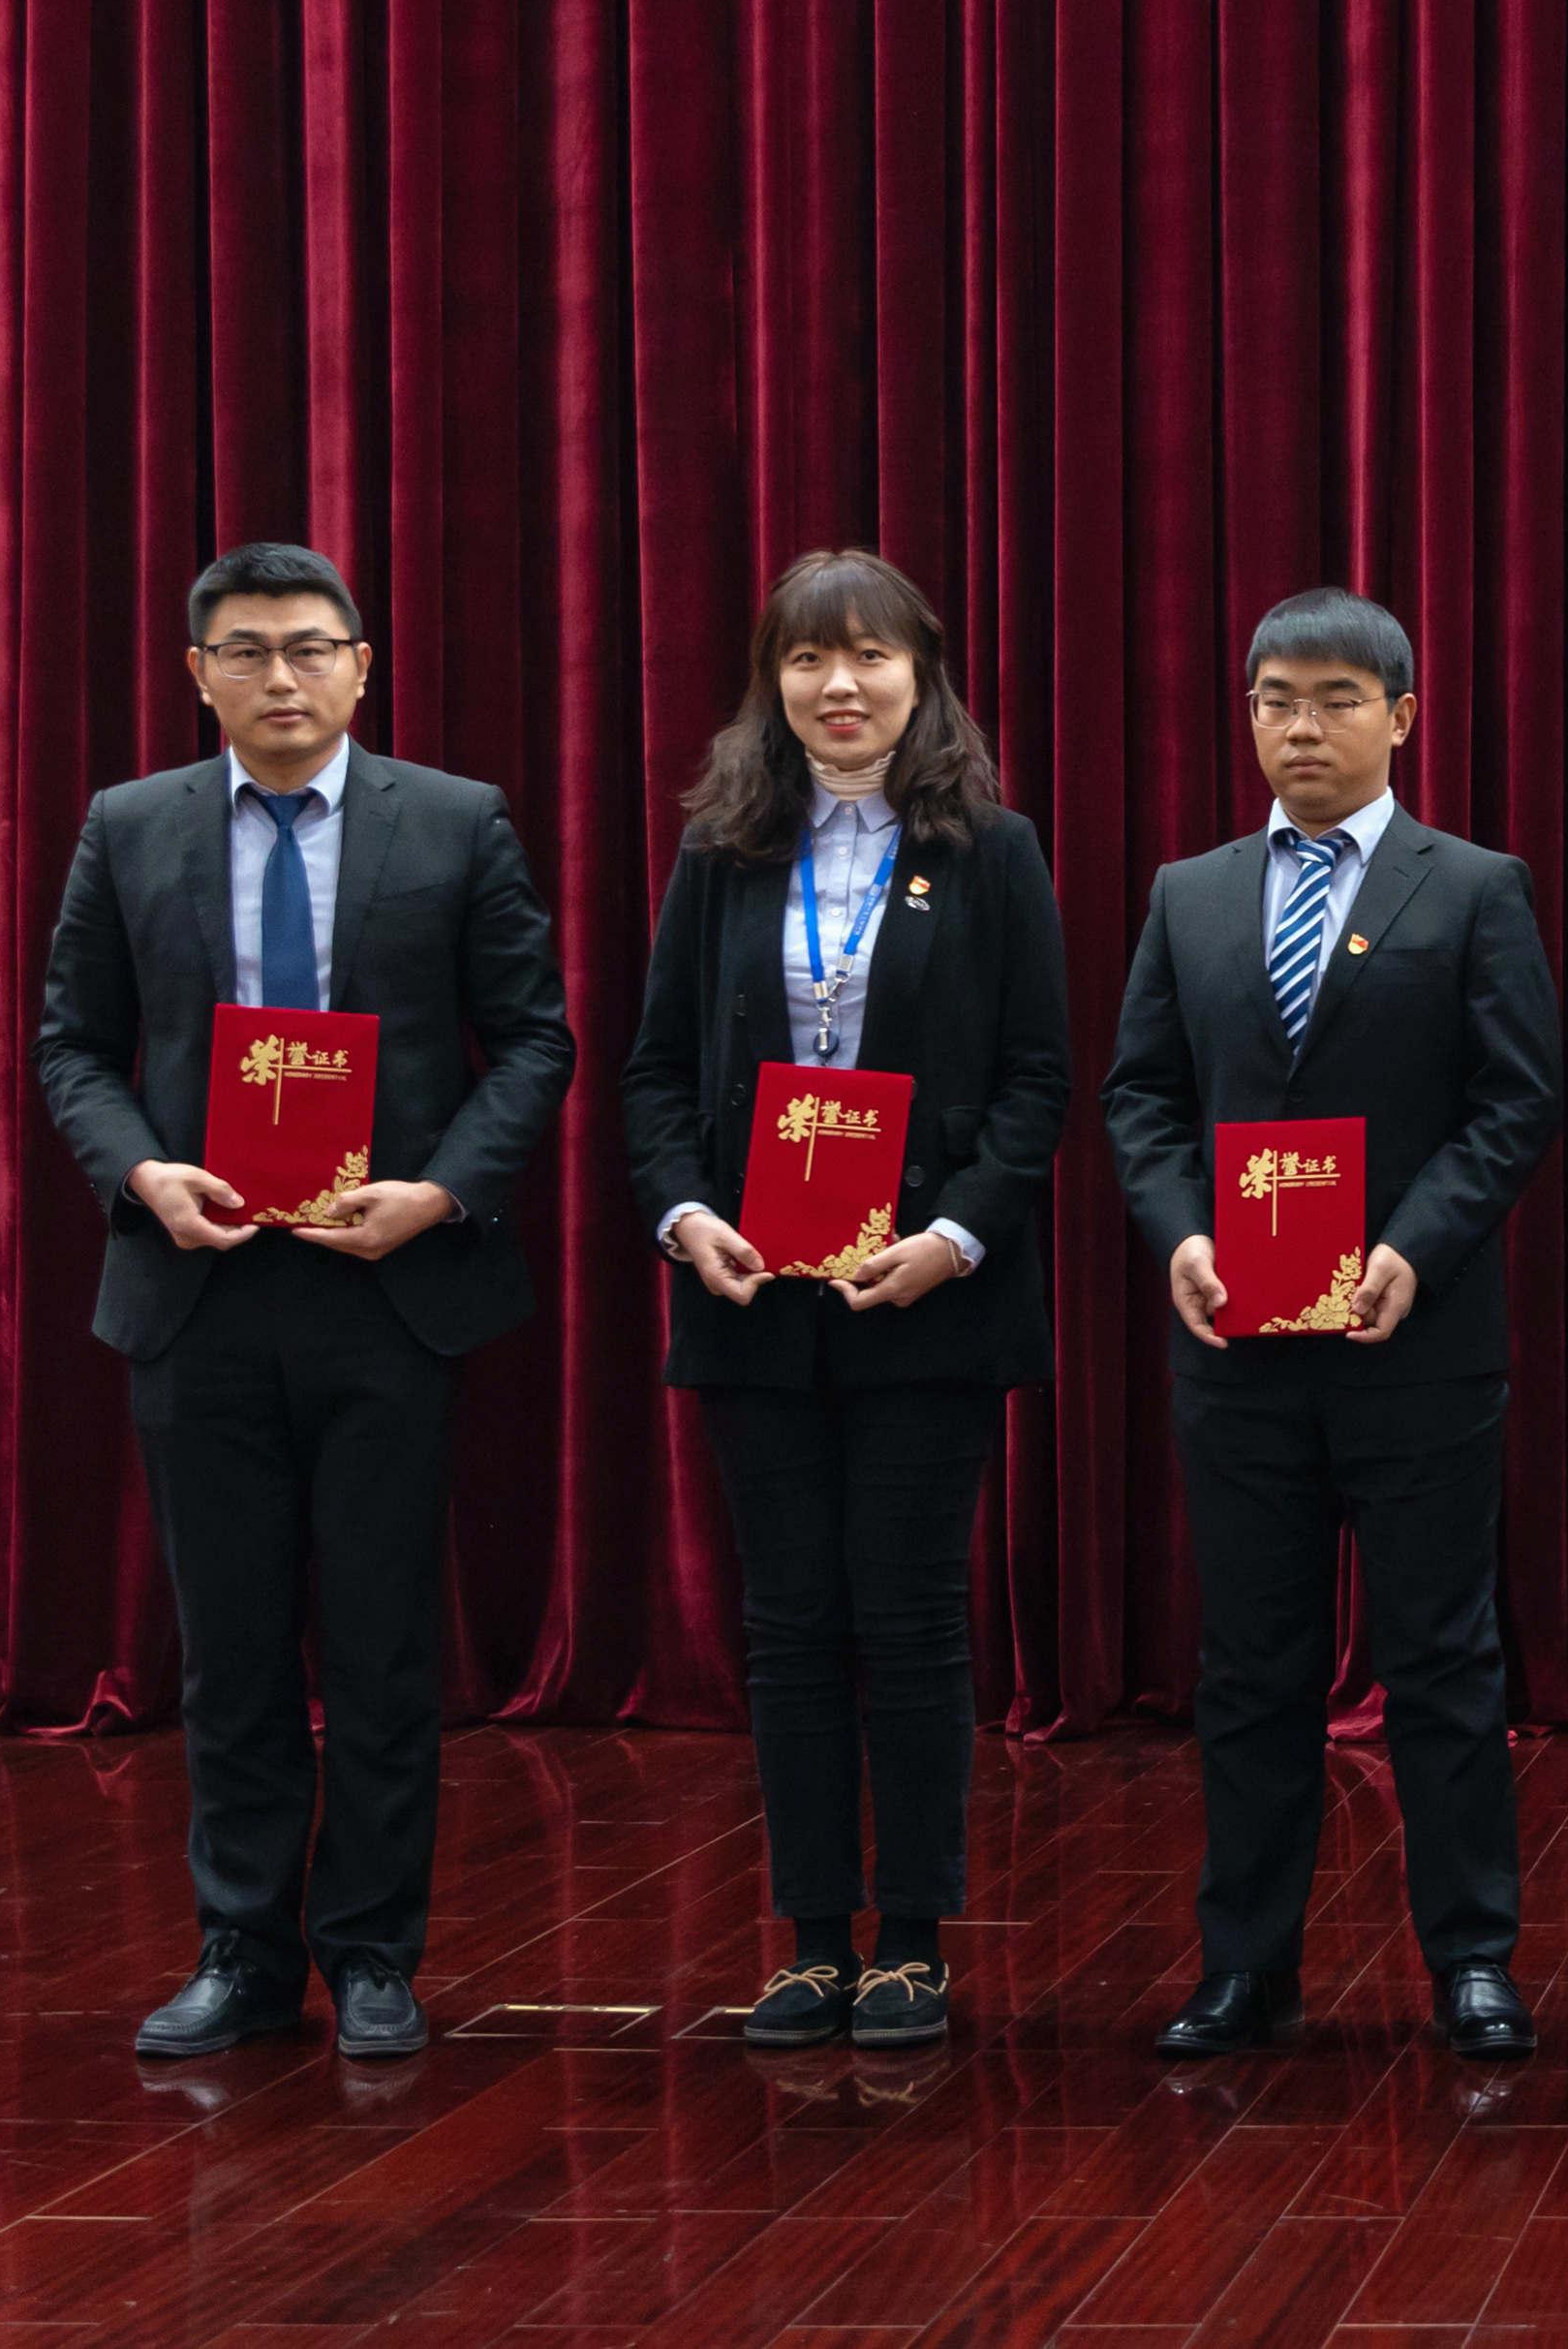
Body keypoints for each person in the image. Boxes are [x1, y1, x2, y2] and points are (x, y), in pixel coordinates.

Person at [29, 541, 576, 2061]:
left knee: (385, 1643)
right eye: (248, 651)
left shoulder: (453, 822)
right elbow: (73, 1045)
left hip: (384, 1288)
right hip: (198, 1287)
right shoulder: (130, 825)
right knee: (232, 1646)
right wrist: (143, 1176)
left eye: (310, 648)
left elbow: (533, 1039)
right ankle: (242, 1951)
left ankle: (376, 1953)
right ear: (197, 674)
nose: (282, 677)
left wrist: (439, 1195)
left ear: (360, 666)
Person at [1098, 588, 1566, 2061]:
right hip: (1238, 1347)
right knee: (1251, 1666)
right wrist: (1180, 1232)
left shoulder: (1473, 887)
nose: (1301, 727)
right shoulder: (1190, 893)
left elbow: (1516, 1101)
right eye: (1276, 701)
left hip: (1412, 1343)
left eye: (1336, 700)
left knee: (1441, 1657)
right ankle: (1246, 1966)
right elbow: (1141, 1096)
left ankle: (1472, 1959)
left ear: (1401, 717)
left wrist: (1414, 1246)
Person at [618, 551, 1069, 2051]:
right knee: (792, 1622)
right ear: (774, 683)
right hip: (755, 1298)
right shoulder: (722, 849)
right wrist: (686, 1218)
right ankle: (812, 1939)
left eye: (870, 655)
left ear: (919, 674)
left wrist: (955, 1236)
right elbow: (655, 1074)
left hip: (923, 1298)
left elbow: (1037, 1082)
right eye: (808, 659)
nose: (840, 685)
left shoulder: (990, 849)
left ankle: (913, 1943)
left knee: (913, 1616)